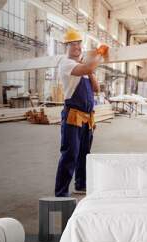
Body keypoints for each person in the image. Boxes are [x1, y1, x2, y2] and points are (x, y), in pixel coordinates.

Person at [54, 29, 101, 197]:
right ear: (65, 46)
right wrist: (98, 55)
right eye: (72, 44)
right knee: (70, 154)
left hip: (87, 118)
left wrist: (91, 70)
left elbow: (96, 89)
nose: (77, 47)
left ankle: (81, 185)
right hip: (73, 115)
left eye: (79, 43)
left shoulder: (85, 69)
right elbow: (88, 66)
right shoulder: (66, 64)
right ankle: (61, 193)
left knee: (84, 154)